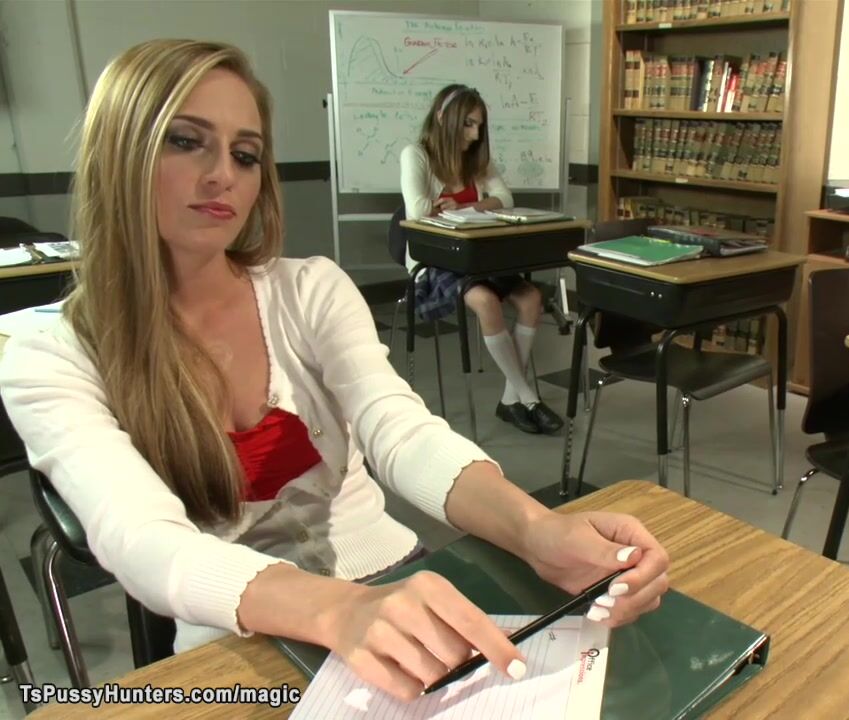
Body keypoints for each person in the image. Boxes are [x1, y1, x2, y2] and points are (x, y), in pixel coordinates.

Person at [0, 40, 669, 703]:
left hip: (389, 578)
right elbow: (139, 538)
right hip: (234, 643)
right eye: (185, 141)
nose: (222, 175)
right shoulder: (44, 350)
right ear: (120, 152)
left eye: (245, 154)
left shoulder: (311, 289)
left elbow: (399, 431)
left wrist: (536, 529)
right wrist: (338, 610)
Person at [399, 84, 562, 436]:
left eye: (479, 126)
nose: (474, 135)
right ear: (442, 118)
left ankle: (510, 399)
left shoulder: (475, 161)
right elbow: (416, 212)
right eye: (467, 124)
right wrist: (461, 206)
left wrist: (465, 205)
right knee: (486, 302)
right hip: (436, 261)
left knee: (531, 298)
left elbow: (505, 197)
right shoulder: (416, 155)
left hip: (478, 256)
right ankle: (528, 397)